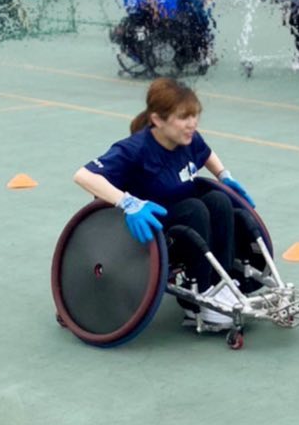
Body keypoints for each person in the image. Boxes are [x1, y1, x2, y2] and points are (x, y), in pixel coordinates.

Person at [72, 78, 257, 329]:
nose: (192, 124)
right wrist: (127, 203)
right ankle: (198, 300)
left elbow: (207, 153)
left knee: (219, 199)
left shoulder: (187, 140)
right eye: (184, 117)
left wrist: (224, 175)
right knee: (196, 208)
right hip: (151, 231)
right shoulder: (135, 149)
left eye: (194, 116)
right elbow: (83, 175)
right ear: (158, 120)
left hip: (185, 221)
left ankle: (220, 285)